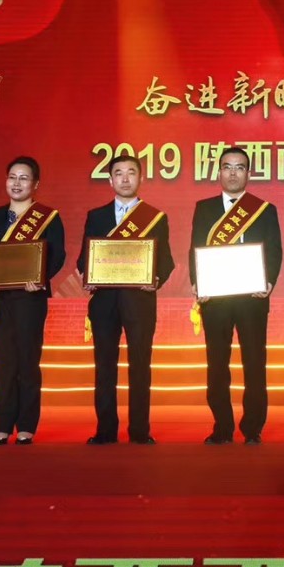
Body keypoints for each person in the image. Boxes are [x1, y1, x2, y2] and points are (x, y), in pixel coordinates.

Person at [188, 147, 283, 445]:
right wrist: (198, 282)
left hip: (252, 298)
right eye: (227, 167)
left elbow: (274, 250)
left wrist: (268, 281)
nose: (233, 173)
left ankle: (253, 428)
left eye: (239, 167)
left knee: (254, 363)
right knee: (217, 364)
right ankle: (222, 427)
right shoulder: (204, 208)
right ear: (218, 172)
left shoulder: (264, 209)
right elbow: (195, 248)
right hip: (215, 299)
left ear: (248, 173)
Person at [0, 156, 65, 445]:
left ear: (35, 184)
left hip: (30, 297)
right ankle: (2, 424)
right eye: (12, 177)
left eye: (24, 178)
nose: (17, 183)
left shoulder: (48, 217)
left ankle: (26, 425)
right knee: (4, 362)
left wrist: (41, 278)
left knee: (27, 361)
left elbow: (58, 255)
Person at [80, 154, 174, 445]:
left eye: (131, 172)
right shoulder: (96, 216)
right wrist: (87, 275)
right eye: (118, 173)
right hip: (104, 303)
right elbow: (85, 258)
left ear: (140, 178)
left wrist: (155, 279)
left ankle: (140, 431)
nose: (124, 178)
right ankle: (105, 431)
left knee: (140, 366)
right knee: (104, 367)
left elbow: (166, 261)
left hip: (140, 301)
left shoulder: (155, 217)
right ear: (110, 180)